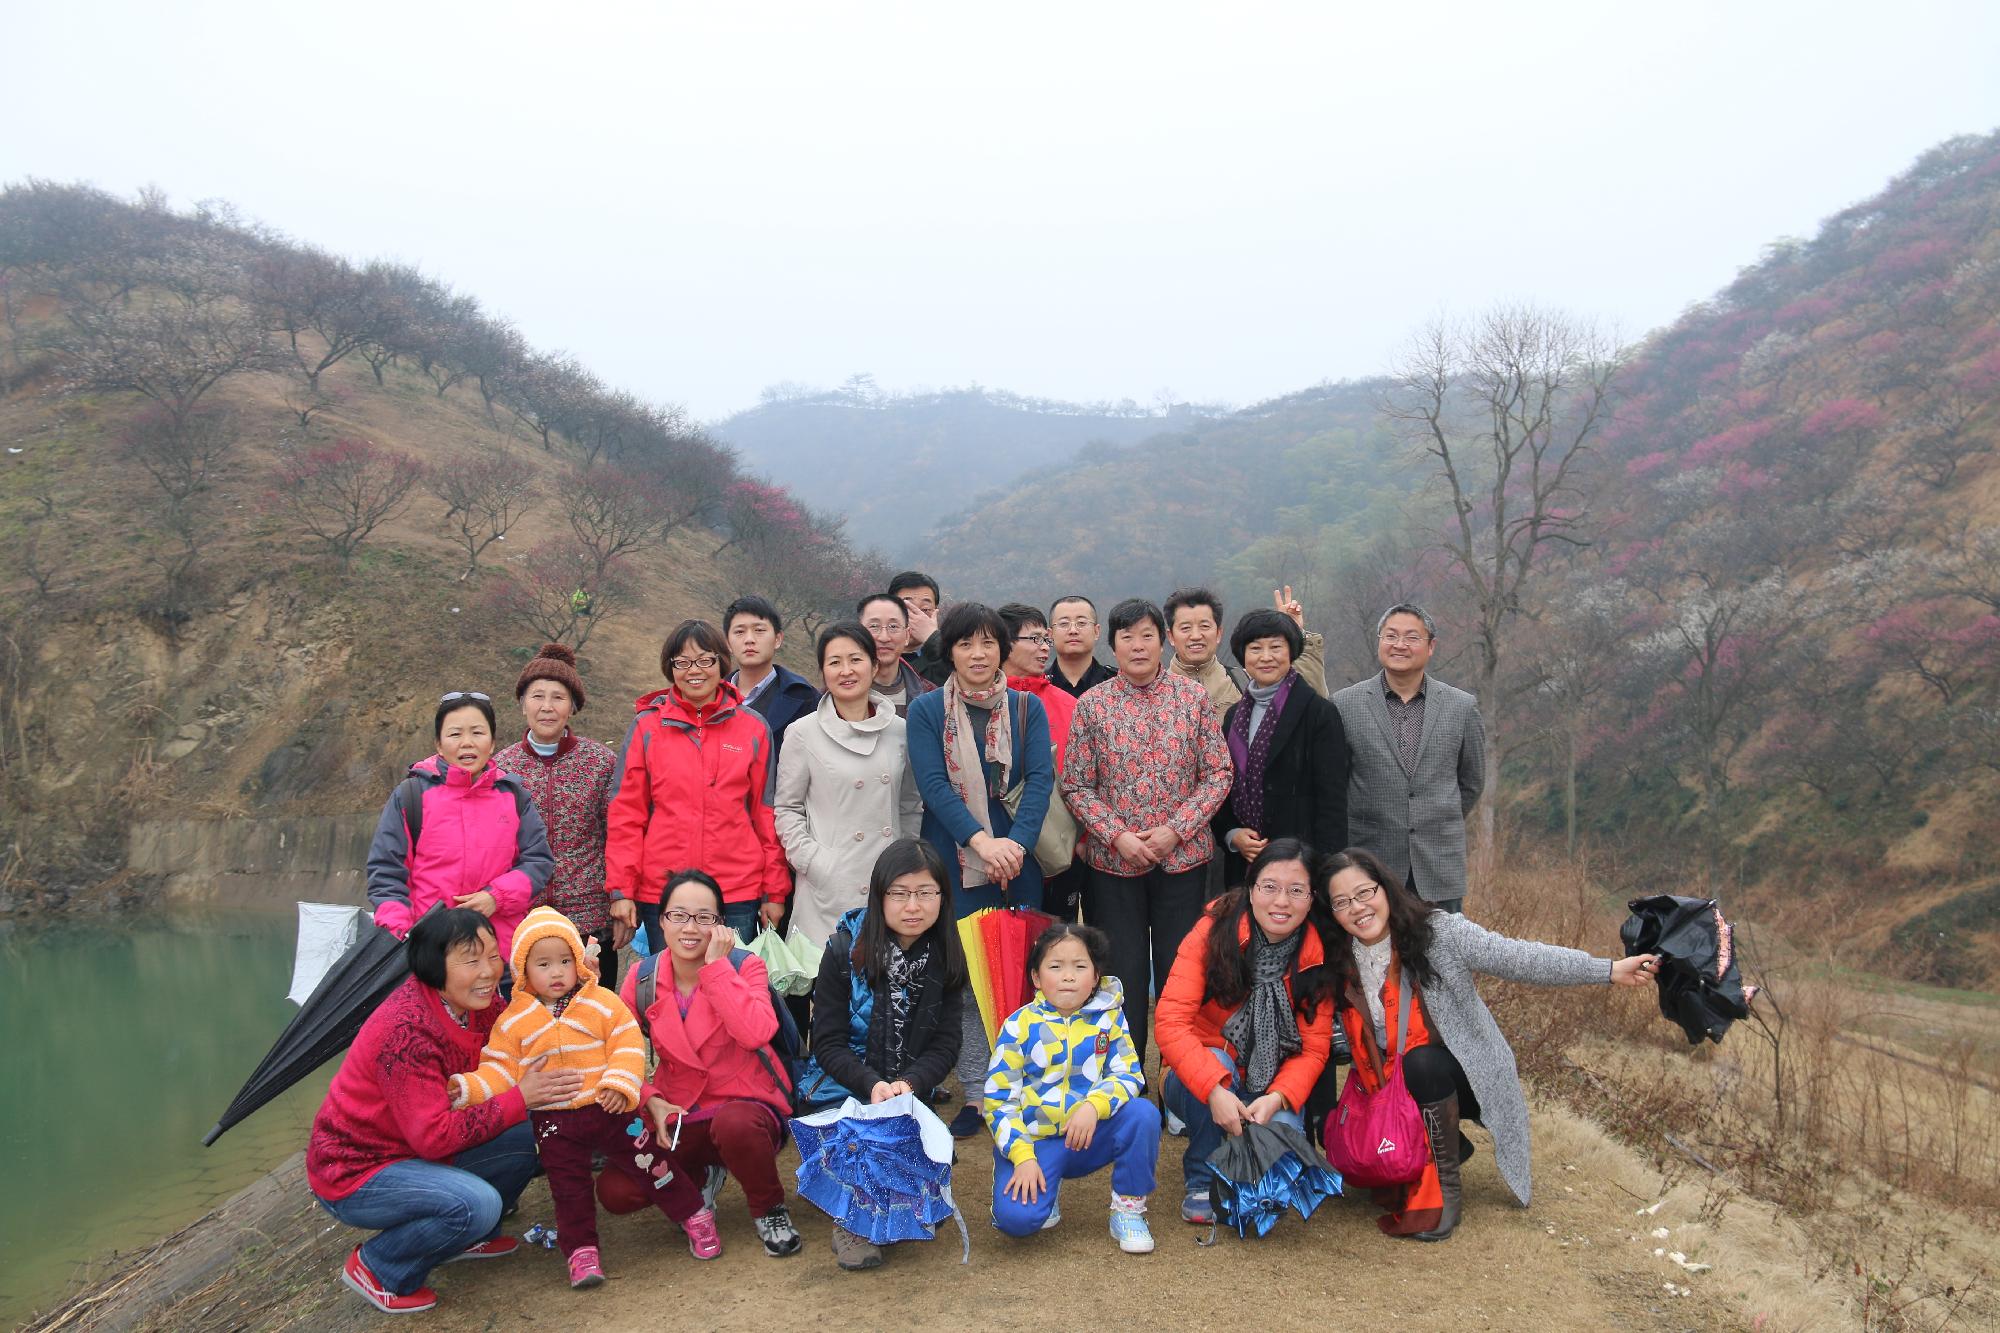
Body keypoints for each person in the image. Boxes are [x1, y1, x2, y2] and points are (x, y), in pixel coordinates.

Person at [1323, 847, 1658, 1240]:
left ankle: (1445, 1192)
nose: (1357, 908)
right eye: (1341, 902)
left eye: (1364, 892)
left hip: (1465, 1073)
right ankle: (1444, 1141)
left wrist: (1608, 970)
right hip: (1390, 1082)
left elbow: (1518, 957)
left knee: (1421, 1063)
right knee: (1376, 1145)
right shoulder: (1339, 958)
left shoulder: (1437, 933)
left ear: (1386, 888)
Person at [307, 908, 582, 1315]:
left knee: (529, 1136)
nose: (489, 971)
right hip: (357, 1170)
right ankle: (379, 1267)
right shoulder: (406, 1031)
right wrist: (519, 1097)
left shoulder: (479, 1004)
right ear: (433, 966)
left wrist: (579, 990)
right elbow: (434, 1138)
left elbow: (529, 1034)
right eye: (471, 960)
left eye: (493, 955)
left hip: (412, 1149)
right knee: (476, 1204)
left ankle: (467, 1237)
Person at [448, 906, 687, 1288]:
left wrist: (620, 1082)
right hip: (554, 1121)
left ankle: (692, 1213)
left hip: (611, 1108)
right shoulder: (513, 1021)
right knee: (568, 1188)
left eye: (565, 961)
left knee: (651, 1162)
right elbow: (499, 1068)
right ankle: (581, 1252)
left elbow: (626, 1041)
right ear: (523, 970)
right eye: (543, 964)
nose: (556, 972)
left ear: (579, 960)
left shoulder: (601, 1002)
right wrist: (468, 1088)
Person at [1060, 597, 1231, 1062]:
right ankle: (1125, 1074)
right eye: (1127, 637)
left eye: (1147, 636)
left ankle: (1181, 1074)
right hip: (1113, 866)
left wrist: (1176, 830)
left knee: (1182, 971)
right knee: (1121, 973)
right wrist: (1117, 835)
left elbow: (1218, 773)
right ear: (1112, 644)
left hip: (1183, 862)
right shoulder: (1093, 705)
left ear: (1164, 641)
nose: (1138, 646)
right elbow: (1076, 783)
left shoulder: (1193, 698)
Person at [907, 602, 1055, 1136]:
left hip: (1019, 859)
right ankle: (977, 1090)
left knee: (1022, 972)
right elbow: (934, 786)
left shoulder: (1025, 708)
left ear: (1003, 649)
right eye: (965, 643)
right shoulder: (927, 711)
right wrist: (981, 843)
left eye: (988, 642)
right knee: (968, 977)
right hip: (954, 860)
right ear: (949, 651)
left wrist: (1014, 845)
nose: (977, 653)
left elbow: (1040, 781)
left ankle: (1023, 1086)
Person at [799, 838, 967, 1270]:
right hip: (842, 1089)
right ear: (879, 895)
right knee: (869, 1144)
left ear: (942, 897)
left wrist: (910, 1083)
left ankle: (898, 1188)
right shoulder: (843, 951)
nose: (913, 905)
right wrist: (871, 1084)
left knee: (911, 1172)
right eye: (900, 893)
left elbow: (946, 1043)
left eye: (926, 892)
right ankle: (851, 1225)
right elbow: (827, 1043)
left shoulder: (948, 954)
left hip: (904, 1091)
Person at [618, 870, 804, 1259]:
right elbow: (617, 1053)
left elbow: (756, 1033)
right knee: (619, 1190)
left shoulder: (745, 965)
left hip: (747, 1106)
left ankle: (769, 1209)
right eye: (678, 915)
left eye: (704, 917)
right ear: (661, 921)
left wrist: (717, 967)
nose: (690, 928)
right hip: (679, 1112)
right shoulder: (641, 977)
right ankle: (702, 1176)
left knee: (735, 1125)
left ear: (721, 924)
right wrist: (649, 1097)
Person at [1154, 839, 1336, 1224]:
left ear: (1312, 898)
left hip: (1268, 1082)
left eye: (1296, 891)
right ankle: (1202, 1177)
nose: (1281, 902)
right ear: (1251, 889)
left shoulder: (1317, 955)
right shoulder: (1213, 931)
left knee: (1274, 1184)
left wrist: (1278, 1098)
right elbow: (1171, 1020)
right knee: (1215, 1061)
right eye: (1269, 887)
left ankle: (1243, 1160)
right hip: (1199, 1076)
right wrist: (1214, 1089)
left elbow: (1313, 1050)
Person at [605, 620, 790, 946]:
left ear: (721, 662)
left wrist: (774, 890)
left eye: (705, 660)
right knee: (667, 978)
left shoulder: (753, 728)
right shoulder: (648, 727)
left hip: (735, 891)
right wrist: (622, 889)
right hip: (665, 891)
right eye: (682, 662)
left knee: (730, 976)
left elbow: (766, 813)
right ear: (670, 667)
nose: (694, 670)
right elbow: (626, 814)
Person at [985, 923, 1161, 1255]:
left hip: (1087, 1135)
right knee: (1017, 1221)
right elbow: (998, 1101)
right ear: (1036, 977)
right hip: (1036, 1143)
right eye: (1055, 966)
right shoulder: (1018, 1026)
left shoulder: (1110, 1018)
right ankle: (1033, 1179)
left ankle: (1128, 1210)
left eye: (1080, 967)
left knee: (1143, 1115)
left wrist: (1093, 1106)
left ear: (1095, 977)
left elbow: (1129, 1074)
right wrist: (1022, 1156)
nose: (1068, 977)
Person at [367, 691, 555, 965]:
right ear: (439, 744)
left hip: (499, 955)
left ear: (492, 742)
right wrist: (399, 938)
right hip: (430, 955)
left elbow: (538, 862)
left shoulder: (514, 797)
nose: (467, 742)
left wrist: (496, 897)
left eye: (477, 732)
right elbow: (386, 873)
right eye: (455, 734)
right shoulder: (411, 796)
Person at [773, 622, 923, 953]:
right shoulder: (803, 733)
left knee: (887, 975)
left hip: (889, 880)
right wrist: (814, 862)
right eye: (834, 662)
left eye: (855, 659)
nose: (846, 671)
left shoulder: (899, 731)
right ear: (823, 671)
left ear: (874, 665)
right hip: (828, 887)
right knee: (829, 975)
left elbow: (910, 804)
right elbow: (787, 808)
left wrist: (904, 856)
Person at [1331, 604, 1487, 913]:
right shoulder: (1345, 704)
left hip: (1438, 863)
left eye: (1411, 637)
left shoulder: (1461, 707)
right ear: (1379, 641)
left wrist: (1434, 817)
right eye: (1391, 636)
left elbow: (1471, 782)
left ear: (1431, 646)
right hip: (1368, 861)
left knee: (1442, 944)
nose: (1399, 645)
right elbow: (1336, 783)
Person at [493, 643, 630, 989]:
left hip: (590, 921)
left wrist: (621, 897)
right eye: (537, 696)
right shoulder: (501, 768)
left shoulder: (600, 763)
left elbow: (619, 835)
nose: (547, 707)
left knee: (592, 1012)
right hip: (524, 921)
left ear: (573, 706)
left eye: (558, 697)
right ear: (523, 703)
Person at [1211, 609, 1350, 886]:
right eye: (1255, 648)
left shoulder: (1318, 713)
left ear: (1291, 651)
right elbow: (1223, 784)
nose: (1266, 657)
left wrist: (1326, 868)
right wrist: (1232, 834)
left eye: (1276, 647)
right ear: (1242, 655)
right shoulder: (1235, 716)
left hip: (1301, 861)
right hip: (1245, 861)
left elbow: (1332, 800)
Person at [1000, 601, 1081, 921]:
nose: (1045, 647)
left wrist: (1082, 839)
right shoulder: (982, 702)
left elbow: (1087, 777)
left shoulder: (1069, 704)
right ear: (1005, 645)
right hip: (999, 849)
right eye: (1034, 639)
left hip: (1061, 847)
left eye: (1046, 639)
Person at [724, 595, 820, 780]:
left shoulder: (805, 698)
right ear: (728, 643)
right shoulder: (711, 698)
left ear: (777, 639)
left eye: (759, 630)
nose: (749, 639)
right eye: (739, 632)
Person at [858, 592, 935, 717]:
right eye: (874, 626)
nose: (884, 637)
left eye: (893, 626)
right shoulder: (838, 693)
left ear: (907, 635)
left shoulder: (930, 697)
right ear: (858, 633)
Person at [889, 570, 952, 686]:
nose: (917, 617)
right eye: (907, 608)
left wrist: (932, 638)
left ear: (936, 612)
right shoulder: (873, 655)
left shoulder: (951, 653)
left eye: (925, 609)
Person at [1047, 594, 1116, 697]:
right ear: (1050, 634)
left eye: (1081, 623)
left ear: (1096, 631)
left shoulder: (1118, 683)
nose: (1073, 630)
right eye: (1064, 624)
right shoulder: (1036, 686)